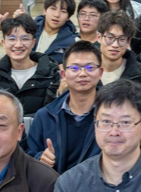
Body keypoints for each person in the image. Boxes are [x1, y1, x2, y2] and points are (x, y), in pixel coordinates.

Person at [28, 41, 104, 175]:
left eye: (90, 68)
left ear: (100, 73)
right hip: (55, 185)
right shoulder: (45, 116)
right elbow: (28, 159)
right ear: (63, 74)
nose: (82, 74)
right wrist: (40, 159)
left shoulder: (112, 116)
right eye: (74, 68)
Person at [0, 13, 60, 116]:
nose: (18, 45)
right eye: (12, 39)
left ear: (33, 43)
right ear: (3, 42)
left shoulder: (51, 74)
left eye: (25, 39)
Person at [96, 11, 141, 89]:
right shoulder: (86, 69)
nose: (115, 45)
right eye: (110, 37)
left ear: (128, 42)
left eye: (122, 39)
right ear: (99, 37)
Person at [32, 0, 80, 64]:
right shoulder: (29, 30)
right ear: (45, 10)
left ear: (68, 17)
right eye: (53, 8)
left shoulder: (73, 43)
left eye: (63, 11)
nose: (57, 15)